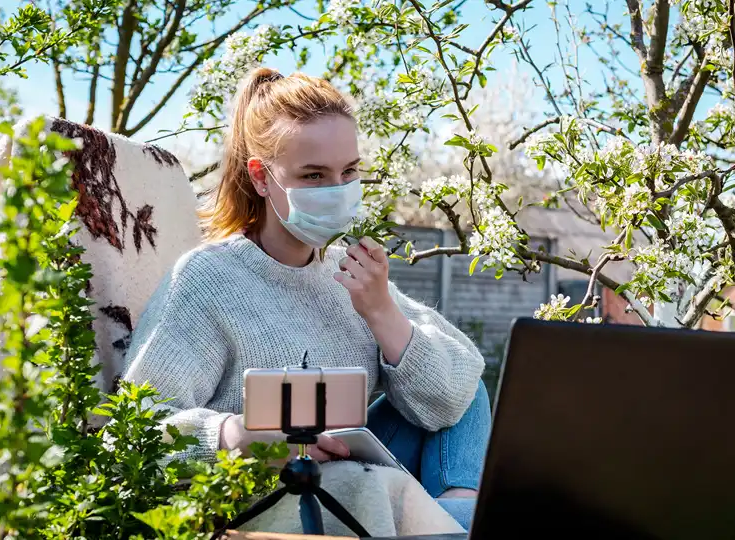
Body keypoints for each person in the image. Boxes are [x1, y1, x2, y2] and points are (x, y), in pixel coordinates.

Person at [121, 67, 491, 530]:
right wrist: (238, 438)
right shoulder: (208, 280)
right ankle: (457, 521)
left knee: (457, 378)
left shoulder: (347, 270)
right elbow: (133, 432)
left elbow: (457, 389)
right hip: (267, 501)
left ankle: (456, 509)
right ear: (260, 177)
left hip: (350, 474)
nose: (336, 190)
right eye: (313, 175)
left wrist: (382, 313)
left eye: (349, 171)